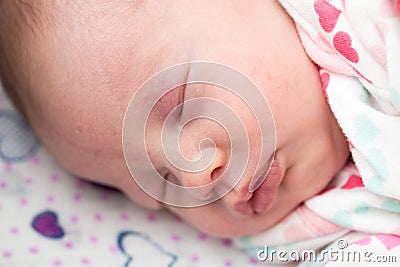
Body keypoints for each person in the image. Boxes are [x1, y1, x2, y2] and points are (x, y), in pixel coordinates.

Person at [0, 0, 399, 264]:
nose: (196, 177)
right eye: (162, 184)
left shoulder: (368, 19)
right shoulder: (313, 237)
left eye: (184, 108)